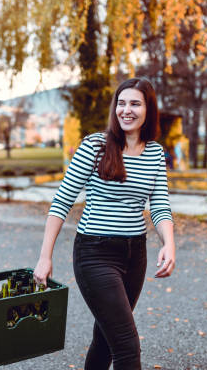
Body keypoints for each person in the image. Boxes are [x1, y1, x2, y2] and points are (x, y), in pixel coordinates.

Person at [33, 78, 175, 370]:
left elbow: (159, 205)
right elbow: (61, 201)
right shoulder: (95, 145)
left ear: (149, 109)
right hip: (94, 254)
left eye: (135, 103)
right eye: (121, 103)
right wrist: (45, 256)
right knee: (126, 345)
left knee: (106, 339)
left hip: (135, 254)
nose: (127, 110)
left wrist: (169, 243)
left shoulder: (155, 153)